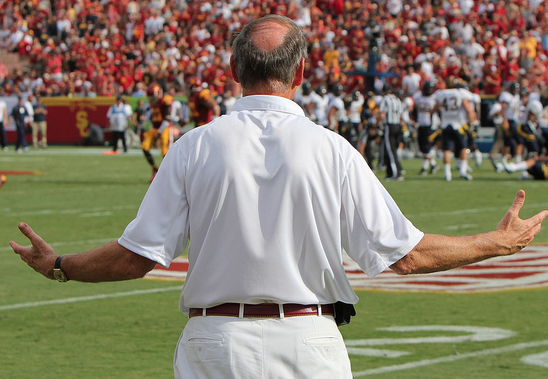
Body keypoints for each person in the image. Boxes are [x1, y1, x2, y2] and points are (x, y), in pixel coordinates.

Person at [9, 16, 548, 379]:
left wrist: (60, 265)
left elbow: (136, 258)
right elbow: (406, 256)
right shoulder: (332, 149)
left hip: (214, 340)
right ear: (300, 71)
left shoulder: (195, 147)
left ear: (234, 70)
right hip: (309, 340)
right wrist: (498, 243)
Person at [433, 77, 477, 181]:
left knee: (447, 150)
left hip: (445, 124)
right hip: (458, 125)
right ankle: (463, 171)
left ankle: (447, 174)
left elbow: (434, 109)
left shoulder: (441, 94)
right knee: (463, 148)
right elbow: (468, 109)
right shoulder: (460, 93)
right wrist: (471, 123)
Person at [141, 83, 174, 182]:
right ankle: (155, 169)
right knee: (145, 147)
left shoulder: (165, 100)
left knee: (165, 152)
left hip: (164, 128)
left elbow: (167, 119)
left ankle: (170, 173)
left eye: (152, 96)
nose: (150, 99)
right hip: (155, 128)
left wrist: (159, 132)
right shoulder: (153, 103)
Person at [378, 83, 405, 181]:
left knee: (390, 150)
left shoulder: (385, 99)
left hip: (389, 126)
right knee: (391, 149)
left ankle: (396, 173)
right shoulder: (397, 99)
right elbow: (401, 115)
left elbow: (382, 114)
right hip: (398, 125)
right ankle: (390, 173)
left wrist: (378, 124)